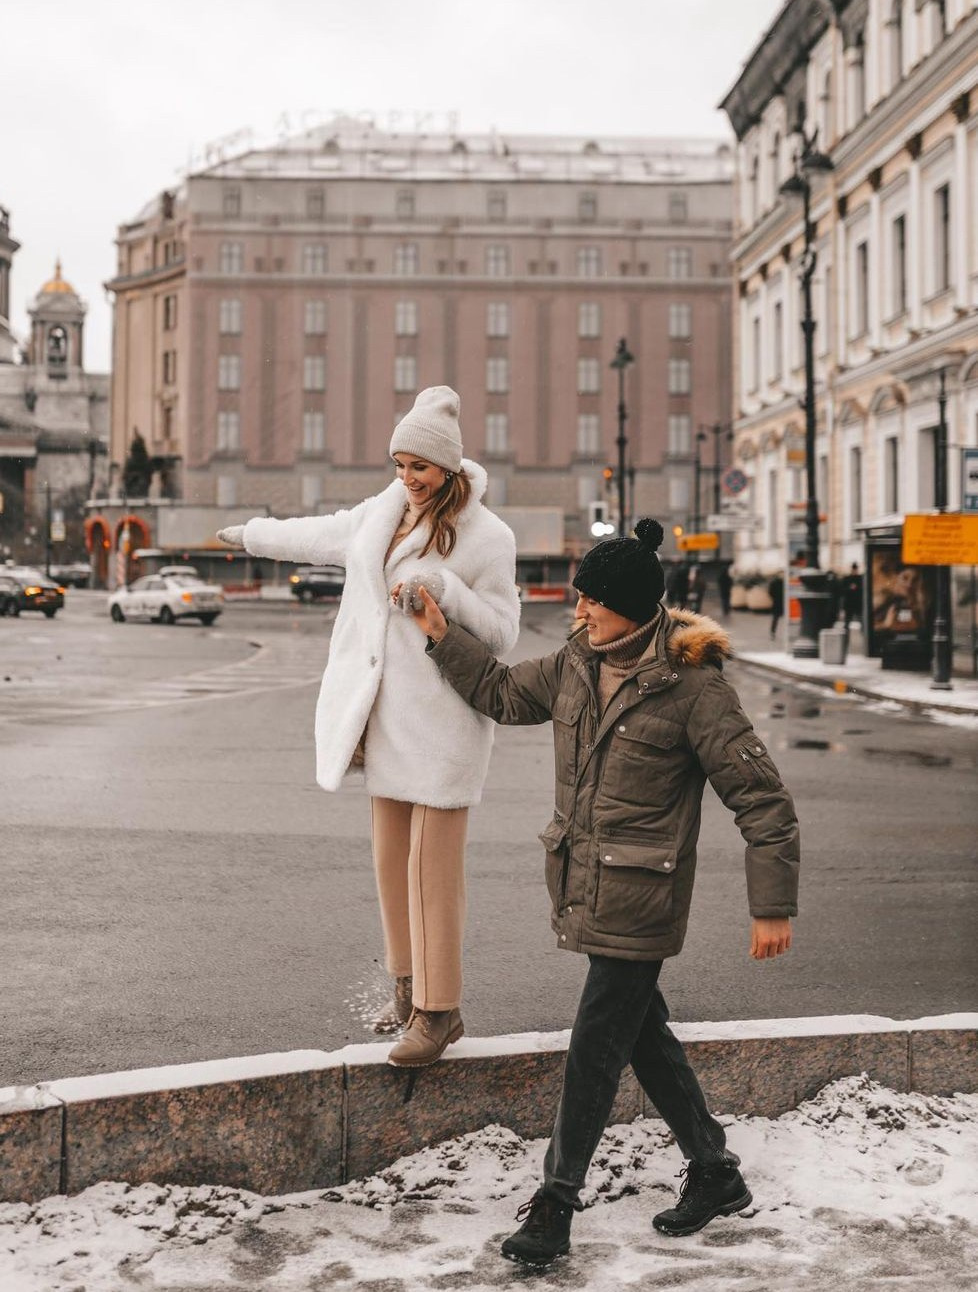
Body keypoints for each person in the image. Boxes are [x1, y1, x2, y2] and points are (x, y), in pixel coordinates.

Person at [401, 518, 799, 1270]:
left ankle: (556, 1202)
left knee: (594, 1044)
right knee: (640, 1033)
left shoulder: (694, 690)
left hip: (642, 898)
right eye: (579, 600)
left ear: (634, 606)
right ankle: (715, 1172)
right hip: (585, 883)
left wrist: (771, 903)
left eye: (591, 601)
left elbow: (763, 799)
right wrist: (439, 630)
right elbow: (499, 691)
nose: (577, 612)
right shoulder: (575, 664)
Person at [216, 386, 520, 1067]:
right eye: (399, 463)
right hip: (385, 717)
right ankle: (408, 989)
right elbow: (319, 532)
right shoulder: (383, 514)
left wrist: (447, 589)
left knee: (430, 869)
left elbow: (503, 630)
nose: (407, 478)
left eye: (420, 467)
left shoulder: (487, 536)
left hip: (444, 722)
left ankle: (441, 1013)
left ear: (448, 468)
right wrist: (252, 534)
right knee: (390, 861)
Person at [841, 562, 863, 628]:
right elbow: (843, 590)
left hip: (857, 602)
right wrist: (849, 588)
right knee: (847, 621)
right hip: (850, 603)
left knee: (861, 619)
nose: (854, 571)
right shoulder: (847, 578)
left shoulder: (860, 578)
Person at [768, 571, 784, 640]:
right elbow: (770, 592)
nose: (782, 575)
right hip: (777, 602)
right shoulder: (774, 583)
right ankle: (773, 632)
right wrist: (775, 597)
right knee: (775, 618)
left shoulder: (784, 583)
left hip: (782, 602)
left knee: (777, 618)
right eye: (781, 574)